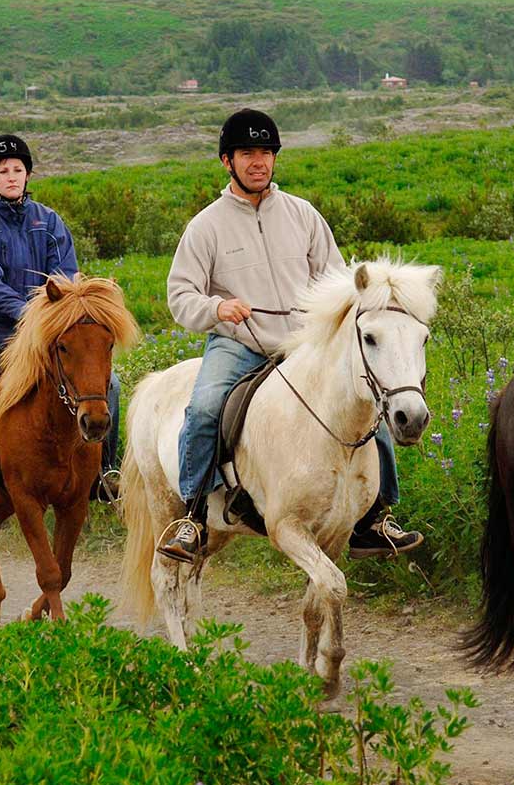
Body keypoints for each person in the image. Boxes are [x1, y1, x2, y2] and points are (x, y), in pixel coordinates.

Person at [155, 108, 422, 564]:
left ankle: (376, 517)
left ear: (274, 159)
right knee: (203, 409)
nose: (257, 161)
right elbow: (180, 294)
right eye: (246, 153)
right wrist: (216, 308)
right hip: (238, 344)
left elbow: (338, 281)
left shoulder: (303, 215)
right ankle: (193, 517)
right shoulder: (206, 226)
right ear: (227, 161)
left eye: (265, 152)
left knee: (369, 404)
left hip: (304, 346)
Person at [0, 134, 122, 514]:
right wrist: (30, 314)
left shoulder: (49, 222)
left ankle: (104, 470)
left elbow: (65, 276)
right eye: (3, 171)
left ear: (27, 174)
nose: (11, 176)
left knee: (108, 384)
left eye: (18, 169)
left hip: (46, 330)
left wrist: (50, 318)